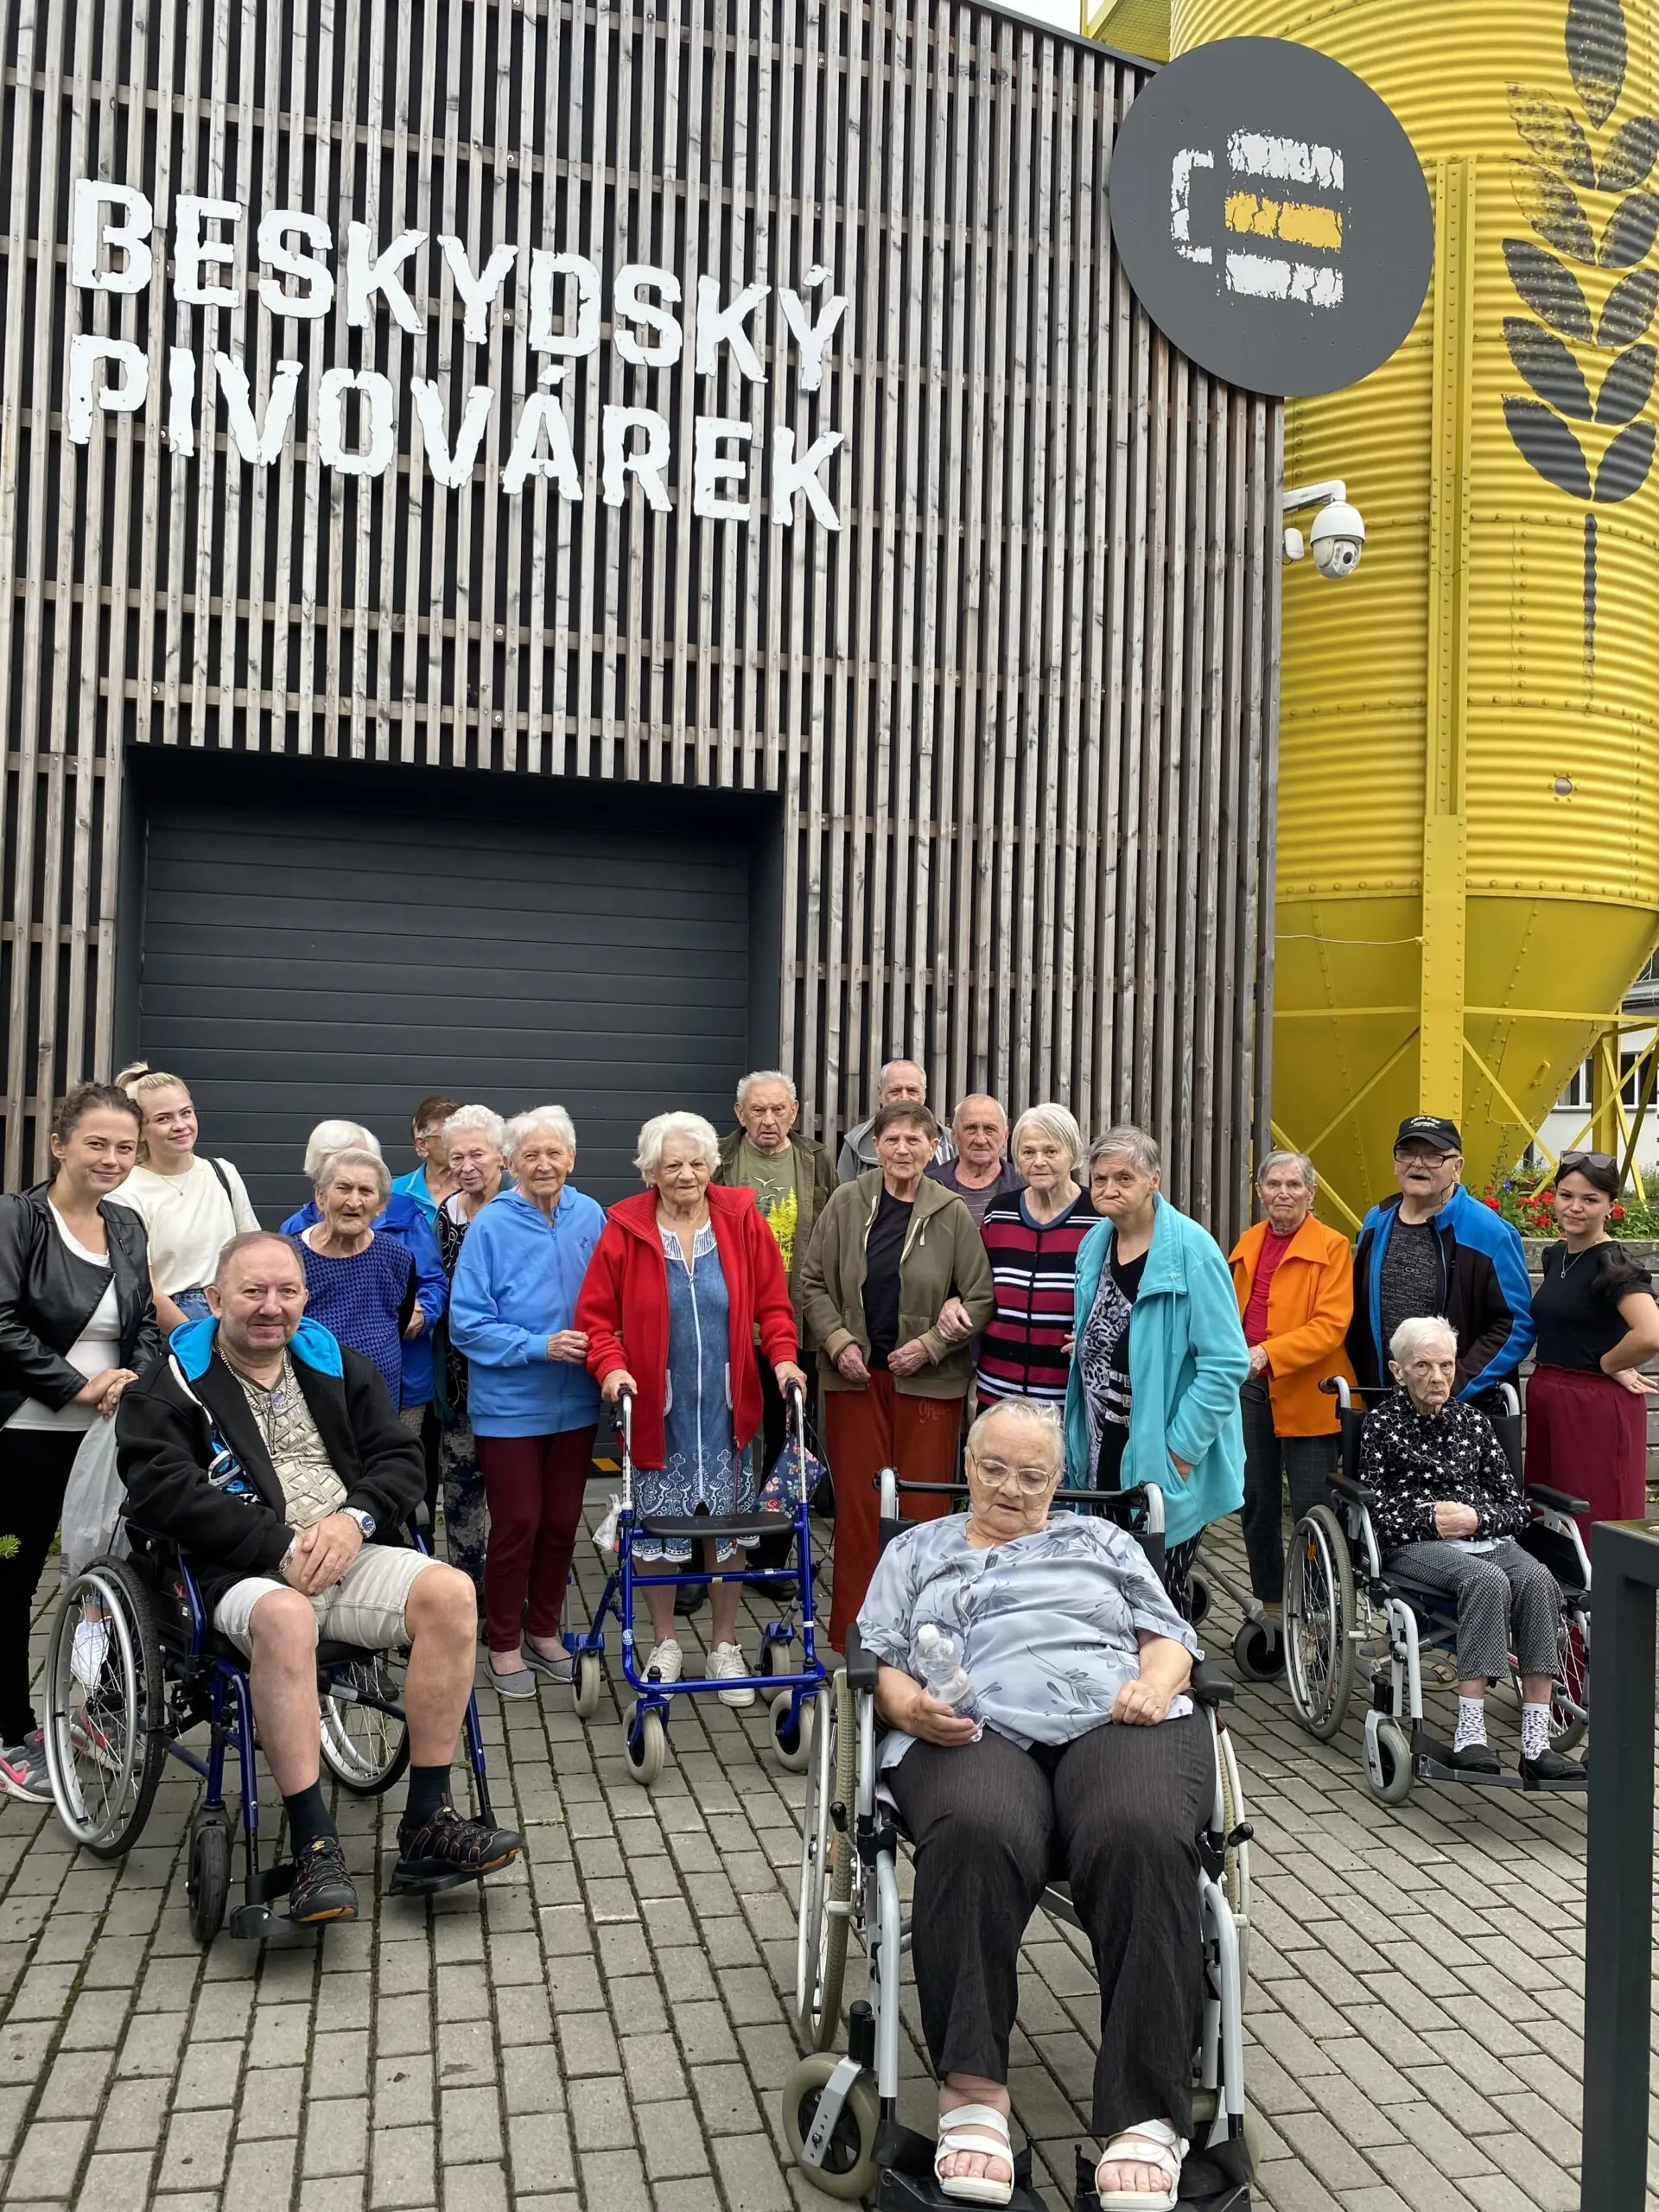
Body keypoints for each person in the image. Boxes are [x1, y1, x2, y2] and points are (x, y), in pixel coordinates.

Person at [855, 1397, 1208, 2210]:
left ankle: (1146, 2114)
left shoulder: (1104, 1541)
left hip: (1115, 1717)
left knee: (1142, 1829)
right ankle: (973, 2094)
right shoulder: (916, 1549)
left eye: (1032, 1476)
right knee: (977, 1829)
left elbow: (1169, 1639)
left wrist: (1157, 1686)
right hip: (970, 1727)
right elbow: (876, 1660)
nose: (1010, 1489)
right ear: (967, 1468)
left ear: (1058, 1482)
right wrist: (910, 1710)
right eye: (993, 1469)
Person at [117, 1231, 522, 1920]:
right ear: (214, 1299)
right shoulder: (169, 1384)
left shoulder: (335, 1364)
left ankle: (427, 1820)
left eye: (287, 1291)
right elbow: (163, 1491)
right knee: (285, 1616)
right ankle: (312, 1843)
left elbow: (399, 1458)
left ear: (306, 1297)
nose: (271, 1307)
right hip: (241, 1570)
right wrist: (278, 1546)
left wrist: (353, 1521)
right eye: (252, 1292)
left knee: (452, 1593)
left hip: (346, 1554)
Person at [576, 1111, 805, 1701]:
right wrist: (612, 1367)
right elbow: (596, 1321)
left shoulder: (740, 1218)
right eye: (673, 1164)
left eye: (697, 1163)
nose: (686, 1174)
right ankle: (664, 1642)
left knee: (728, 1532)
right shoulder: (625, 1227)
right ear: (650, 1171)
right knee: (657, 1532)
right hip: (658, 1411)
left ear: (713, 1165)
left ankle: (725, 1646)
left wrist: (783, 1359)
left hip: (729, 1412)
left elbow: (774, 1306)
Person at [0, 1084, 161, 1803]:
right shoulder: (16, 1219)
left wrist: (132, 1380)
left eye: (125, 1147)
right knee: (11, 1577)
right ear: (59, 1144)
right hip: (25, 1437)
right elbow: (1, 1322)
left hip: (106, 1440)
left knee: (106, 1578)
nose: (112, 1159)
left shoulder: (126, 1224)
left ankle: (92, 1709)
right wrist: (76, 1385)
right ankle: (10, 1734)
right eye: (97, 1143)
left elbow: (146, 1322)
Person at [799, 1102, 995, 1650]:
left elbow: (980, 1298)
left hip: (927, 1385)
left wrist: (930, 1346)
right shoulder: (845, 1202)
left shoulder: (951, 1212)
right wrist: (838, 1343)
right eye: (892, 1140)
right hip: (856, 1382)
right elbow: (812, 1283)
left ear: (934, 1148)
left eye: (915, 1140)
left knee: (924, 1512)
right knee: (861, 1513)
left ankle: (925, 1639)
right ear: (875, 1148)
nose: (903, 1149)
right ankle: (855, 1640)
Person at [1359, 1315, 1580, 1783]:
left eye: (1446, 1365)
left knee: (1538, 1580)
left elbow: (1514, 1507)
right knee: (1485, 1580)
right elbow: (1376, 1513)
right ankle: (1470, 1734)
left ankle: (1536, 1743)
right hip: (1418, 1544)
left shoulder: (1475, 1424)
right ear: (1398, 1371)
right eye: (1423, 1366)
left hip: (1486, 1536)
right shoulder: (1381, 1426)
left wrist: (1475, 1518)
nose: (1437, 1377)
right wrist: (1431, 1519)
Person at [449, 1107, 604, 1697]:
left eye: (554, 1153)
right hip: (509, 1405)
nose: (543, 1164)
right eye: (530, 1155)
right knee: (518, 1522)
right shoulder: (490, 1225)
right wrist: (540, 1346)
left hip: (577, 1401)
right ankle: (504, 1642)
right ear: (510, 1162)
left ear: (572, 1159)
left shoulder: (591, 1215)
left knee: (562, 1523)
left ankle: (543, 1630)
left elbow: (610, 1296)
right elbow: (466, 1325)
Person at [1064, 1128, 1247, 1620]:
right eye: (1099, 1179)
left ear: (1154, 1180)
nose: (1109, 1188)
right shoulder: (1095, 1242)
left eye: (1124, 1177)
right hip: (1103, 1444)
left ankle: (1171, 1669)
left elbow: (1225, 1363)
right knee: (1104, 1586)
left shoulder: (1193, 1251)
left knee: (1158, 1595)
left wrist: (1180, 1453)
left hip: (1162, 1452)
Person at [1227, 1151, 1355, 1630]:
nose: (1283, 1193)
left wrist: (1266, 1353)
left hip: (1311, 1396)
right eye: (1274, 1184)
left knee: (1312, 1509)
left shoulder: (1332, 1247)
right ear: (1260, 1191)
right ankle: (1273, 1608)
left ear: (1311, 1193)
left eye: (1294, 1185)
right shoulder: (1248, 1241)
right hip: (1251, 1392)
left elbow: (1330, 1326)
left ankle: (1319, 1613)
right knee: (1255, 1501)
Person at [1348, 1115, 1534, 1402]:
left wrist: (1452, 1384)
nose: (1417, 1164)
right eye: (1406, 1153)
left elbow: (1515, 1327)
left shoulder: (1490, 1233)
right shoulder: (1376, 1221)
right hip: (1384, 1404)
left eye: (1433, 1156)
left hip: (1457, 1406)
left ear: (1457, 1167)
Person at [1524, 1148, 1659, 1541]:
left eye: (1590, 1199)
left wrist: (1607, 1364)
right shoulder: (1557, 1255)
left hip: (1593, 1405)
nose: (1575, 1207)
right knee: (1549, 1515)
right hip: (1549, 1397)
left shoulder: (1613, 1263)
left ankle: (1604, 1585)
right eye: (1566, 1195)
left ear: (1610, 1206)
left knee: (1595, 1516)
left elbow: (1650, 1333)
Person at [713, 1067, 837, 1475]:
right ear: (740, 1113)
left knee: (789, 1427)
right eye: (758, 1110)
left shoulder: (816, 1160)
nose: (768, 1120)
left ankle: (777, 1512)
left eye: (778, 1110)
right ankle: (731, 1503)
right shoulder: (717, 1158)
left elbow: (833, 1233)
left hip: (795, 1317)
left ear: (794, 1111)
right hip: (732, 1317)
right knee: (731, 1423)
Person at [282, 1122, 447, 1427]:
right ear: (321, 1193)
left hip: (389, 1396)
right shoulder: (290, 1250)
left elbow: (419, 1295)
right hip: (313, 1400)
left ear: (381, 1204)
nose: (354, 1201)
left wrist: (423, 1313)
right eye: (343, 1187)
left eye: (366, 1190)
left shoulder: (396, 1254)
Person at [429, 1104, 511, 1596]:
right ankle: (468, 1592)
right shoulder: (447, 1212)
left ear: (501, 1155)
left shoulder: (522, 1207)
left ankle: (509, 1590)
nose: (465, 1166)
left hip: (510, 1375)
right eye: (456, 1157)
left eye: (477, 1154)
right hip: (458, 1376)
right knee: (460, 1489)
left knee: (511, 1495)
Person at [109, 1065, 260, 1329]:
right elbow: (143, 1286)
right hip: (168, 1322)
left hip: (231, 1311)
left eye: (186, 1113)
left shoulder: (222, 1173)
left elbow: (252, 1250)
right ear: (140, 1130)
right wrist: (192, 1338)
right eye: (163, 1119)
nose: (180, 1126)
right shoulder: (125, 1193)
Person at [976, 1104, 1094, 1408]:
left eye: (1051, 1151)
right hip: (998, 1389)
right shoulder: (999, 1212)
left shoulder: (1098, 1217)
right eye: (1028, 1152)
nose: (1039, 1162)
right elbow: (973, 1284)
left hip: (1067, 1395)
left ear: (1073, 1154)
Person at [836, 1059, 957, 1181]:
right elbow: (845, 1192)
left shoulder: (948, 1139)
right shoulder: (857, 1142)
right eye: (895, 1091)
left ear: (924, 1095)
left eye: (912, 1091)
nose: (904, 1098)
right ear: (880, 1094)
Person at [925, 1096, 1025, 1230]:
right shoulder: (930, 1187)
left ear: (1005, 1136)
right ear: (954, 1134)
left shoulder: (1024, 1188)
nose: (980, 1140)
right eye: (971, 1128)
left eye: (990, 1129)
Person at [391, 1095, 462, 1224]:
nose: (458, 1143)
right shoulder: (395, 1192)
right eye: (447, 1136)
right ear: (422, 1145)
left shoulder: (474, 1187)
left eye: (460, 1135)